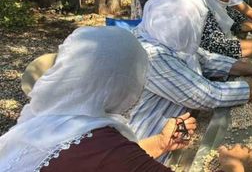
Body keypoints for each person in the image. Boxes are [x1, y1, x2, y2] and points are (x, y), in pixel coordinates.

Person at [0, 26, 197, 172]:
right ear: (121, 84)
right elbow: (110, 158)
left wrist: (161, 143)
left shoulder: (41, 125)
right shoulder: (105, 146)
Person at [128, 0, 252, 161]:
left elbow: (203, 58)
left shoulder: (160, 33)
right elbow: (207, 95)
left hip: (175, 134)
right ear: (184, 23)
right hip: (150, 150)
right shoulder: (152, 56)